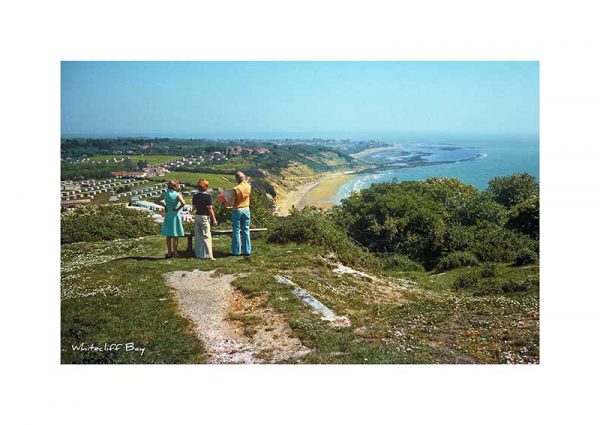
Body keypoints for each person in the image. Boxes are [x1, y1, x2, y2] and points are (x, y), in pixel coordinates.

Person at [157, 180, 185, 257]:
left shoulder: (165, 194)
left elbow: (156, 201)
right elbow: (183, 203)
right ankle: (175, 252)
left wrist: (164, 205)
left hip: (168, 214)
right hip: (176, 215)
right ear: (175, 186)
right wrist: (177, 208)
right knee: (175, 235)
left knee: (168, 235)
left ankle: (169, 252)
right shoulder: (177, 194)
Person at [192, 179, 218, 260]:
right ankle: (208, 255)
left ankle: (198, 253)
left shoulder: (195, 196)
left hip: (197, 216)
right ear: (206, 187)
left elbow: (193, 207)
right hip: (204, 217)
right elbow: (210, 209)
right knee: (206, 236)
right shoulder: (207, 197)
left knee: (198, 235)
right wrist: (214, 219)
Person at [231, 171, 251, 257]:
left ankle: (236, 251)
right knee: (246, 230)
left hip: (238, 209)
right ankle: (247, 250)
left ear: (236, 179)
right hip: (246, 209)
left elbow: (232, 201)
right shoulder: (248, 186)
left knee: (236, 230)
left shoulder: (236, 189)